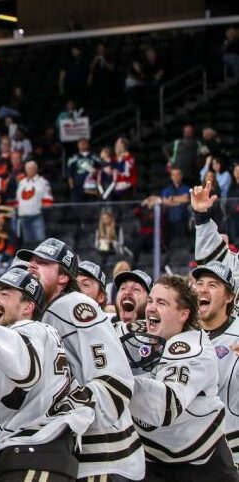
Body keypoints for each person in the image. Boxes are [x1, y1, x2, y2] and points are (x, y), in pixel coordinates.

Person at [0, 266, 95, 481]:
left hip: (35, 454)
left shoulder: (30, 330)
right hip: (35, 456)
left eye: (4, 293)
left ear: (28, 307)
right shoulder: (21, 335)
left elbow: (23, 369)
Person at [17, 238, 145, 480]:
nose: (32, 266)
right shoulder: (41, 313)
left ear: (63, 277)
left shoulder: (73, 306)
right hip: (78, 457)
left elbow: (114, 381)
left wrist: (65, 407)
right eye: (30, 262)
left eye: (42, 263)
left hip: (105, 459)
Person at [126, 275, 238, 481]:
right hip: (153, 459)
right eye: (150, 300)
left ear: (183, 314)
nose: (150, 308)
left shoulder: (194, 350)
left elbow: (165, 406)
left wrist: (118, 379)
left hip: (202, 462)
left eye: (162, 303)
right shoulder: (139, 334)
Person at [191, 262, 239, 466]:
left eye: (212, 285)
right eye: (199, 283)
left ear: (229, 297)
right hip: (191, 453)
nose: (202, 288)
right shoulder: (182, 335)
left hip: (232, 451)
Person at [15, 161, 53, 248]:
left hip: (36, 215)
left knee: (40, 241)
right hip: (23, 217)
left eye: (31, 168)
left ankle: (42, 259)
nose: (29, 170)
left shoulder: (43, 182)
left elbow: (48, 200)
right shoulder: (22, 182)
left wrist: (43, 210)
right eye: (27, 168)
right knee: (28, 242)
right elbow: (18, 199)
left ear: (36, 169)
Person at [161, 168, 191, 245]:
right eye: (173, 175)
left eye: (178, 174)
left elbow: (186, 199)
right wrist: (180, 200)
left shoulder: (186, 188)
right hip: (170, 221)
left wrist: (172, 199)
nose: (176, 176)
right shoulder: (167, 190)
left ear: (181, 176)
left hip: (183, 221)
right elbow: (164, 202)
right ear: (171, 177)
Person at [67, 138, 100, 202]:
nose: (82, 145)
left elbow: (101, 168)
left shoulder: (94, 157)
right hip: (78, 187)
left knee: (92, 207)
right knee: (78, 208)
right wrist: (72, 187)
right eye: (81, 144)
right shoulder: (73, 158)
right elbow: (69, 173)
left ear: (88, 145)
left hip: (91, 187)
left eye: (84, 143)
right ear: (78, 145)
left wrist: (96, 172)